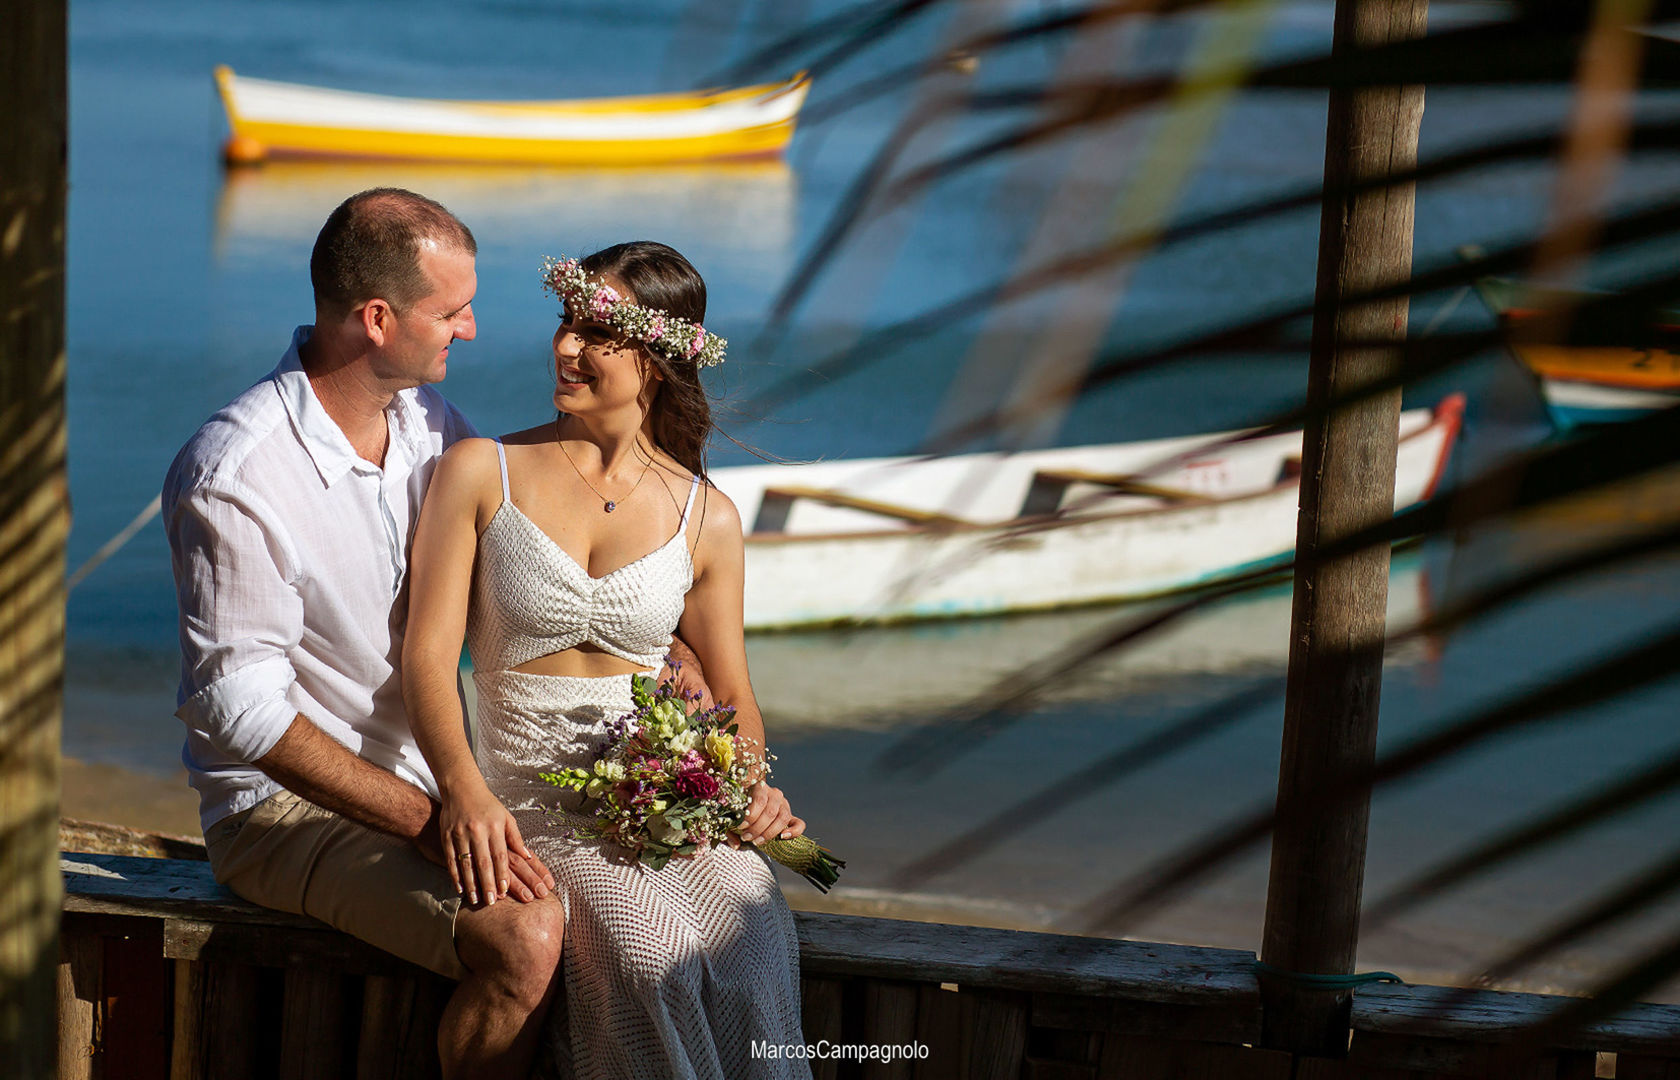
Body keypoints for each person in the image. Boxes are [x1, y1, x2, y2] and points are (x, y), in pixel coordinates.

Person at [164, 188, 567, 1078]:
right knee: (527, 934)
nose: (468, 330)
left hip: (434, 778)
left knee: (619, 900)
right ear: (377, 319)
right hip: (281, 812)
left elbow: (533, 554)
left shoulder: (430, 426)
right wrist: (427, 821)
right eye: (452, 312)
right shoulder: (238, 472)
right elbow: (238, 713)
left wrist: (678, 646)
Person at [402, 241, 811, 1079]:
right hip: (528, 799)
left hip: (662, 790)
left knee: (756, 928)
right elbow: (427, 657)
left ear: (660, 357)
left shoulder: (709, 517)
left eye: (597, 331)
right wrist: (465, 790)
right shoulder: (483, 472)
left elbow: (732, 691)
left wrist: (749, 785)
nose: (564, 347)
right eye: (565, 321)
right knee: (644, 946)